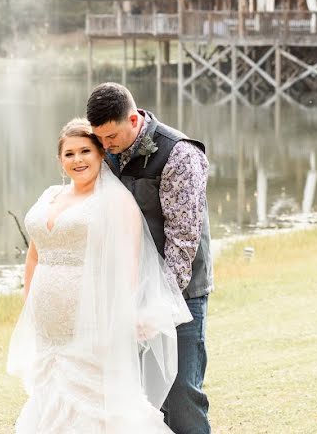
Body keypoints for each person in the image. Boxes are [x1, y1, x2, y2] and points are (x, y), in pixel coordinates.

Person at [7, 117, 191, 433]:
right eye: (69, 154)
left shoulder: (115, 201)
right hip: (49, 325)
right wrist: (30, 304)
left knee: (95, 405)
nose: (77, 160)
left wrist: (115, 318)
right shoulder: (50, 195)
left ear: (101, 155)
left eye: (85, 152)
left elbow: (128, 265)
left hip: (91, 320)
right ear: (59, 159)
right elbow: (36, 254)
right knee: (51, 397)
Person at [86, 83, 213, 434]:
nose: (105, 146)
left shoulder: (180, 155)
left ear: (133, 118)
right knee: (135, 397)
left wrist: (157, 307)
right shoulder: (105, 149)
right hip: (126, 288)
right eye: (100, 138)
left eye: (110, 137)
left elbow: (183, 241)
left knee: (181, 394)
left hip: (180, 292)